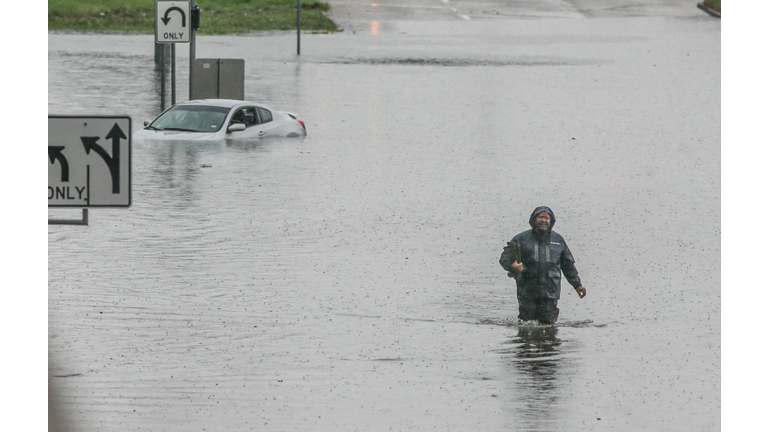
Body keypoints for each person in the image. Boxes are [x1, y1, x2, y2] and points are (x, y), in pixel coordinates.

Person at [499, 206, 586, 324]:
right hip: (527, 292)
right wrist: (512, 266)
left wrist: (577, 285)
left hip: (550, 293)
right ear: (534, 220)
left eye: (546, 218)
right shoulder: (521, 239)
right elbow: (504, 258)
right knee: (526, 325)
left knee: (549, 326)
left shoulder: (558, 240)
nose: (543, 220)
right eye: (540, 217)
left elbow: (568, 266)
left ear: (551, 221)